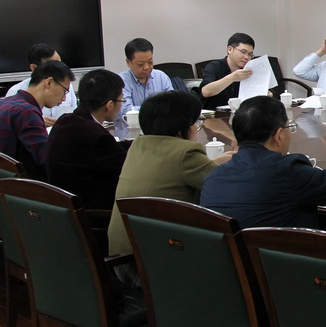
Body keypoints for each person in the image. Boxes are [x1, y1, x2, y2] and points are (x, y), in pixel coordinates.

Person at [200, 96, 326, 229]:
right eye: (290, 128)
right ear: (279, 135)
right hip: (282, 261)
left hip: (232, 261)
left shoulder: (213, 176)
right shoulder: (287, 171)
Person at [107, 90, 232, 259]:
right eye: (195, 122)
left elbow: (173, 170)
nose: (196, 127)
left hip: (121, 254)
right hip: (152, 260)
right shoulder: (186, 152)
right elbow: (226, 186)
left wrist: (215, 162)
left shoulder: (137, 145)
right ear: (182, 126)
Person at [47, 69, 131, 210]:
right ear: (109, 105)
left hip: (64, 206)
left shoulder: (65, 121)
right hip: (92, 212)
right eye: (121, 100)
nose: (121, 104)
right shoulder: (96, 136)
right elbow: (128, 167)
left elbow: (111, 150)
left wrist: (135, 144)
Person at [0, 60, 75, 179]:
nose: (64, 98)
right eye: (64, 91)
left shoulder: (4, 103)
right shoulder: (27, 112)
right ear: (49, 82)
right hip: (22, 186)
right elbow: (46, 160)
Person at [3, 43, 78, 125]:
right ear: (34, 68)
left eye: (60, 64)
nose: (60, 69)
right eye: (53, 67)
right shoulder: (15, 92)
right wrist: (35, 121)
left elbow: (74, 114)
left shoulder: (66, 86)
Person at [118, 37, 174, 119]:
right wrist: (157, 109)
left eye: (150, 62)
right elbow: (126, 110)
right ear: (128, 62)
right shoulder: (121, 81)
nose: (147, 67)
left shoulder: (161, 77)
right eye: (141, 64)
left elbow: (172, 103)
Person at [200, 32, 257, 109]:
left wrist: (268, 94)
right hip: (214, 114)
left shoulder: (249, 70)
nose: (246, 57)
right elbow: (206, 92)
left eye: (250, 54)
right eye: (243, 52)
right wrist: (232, 77)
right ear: (230, 49)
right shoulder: (214, 66)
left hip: (240, 113)